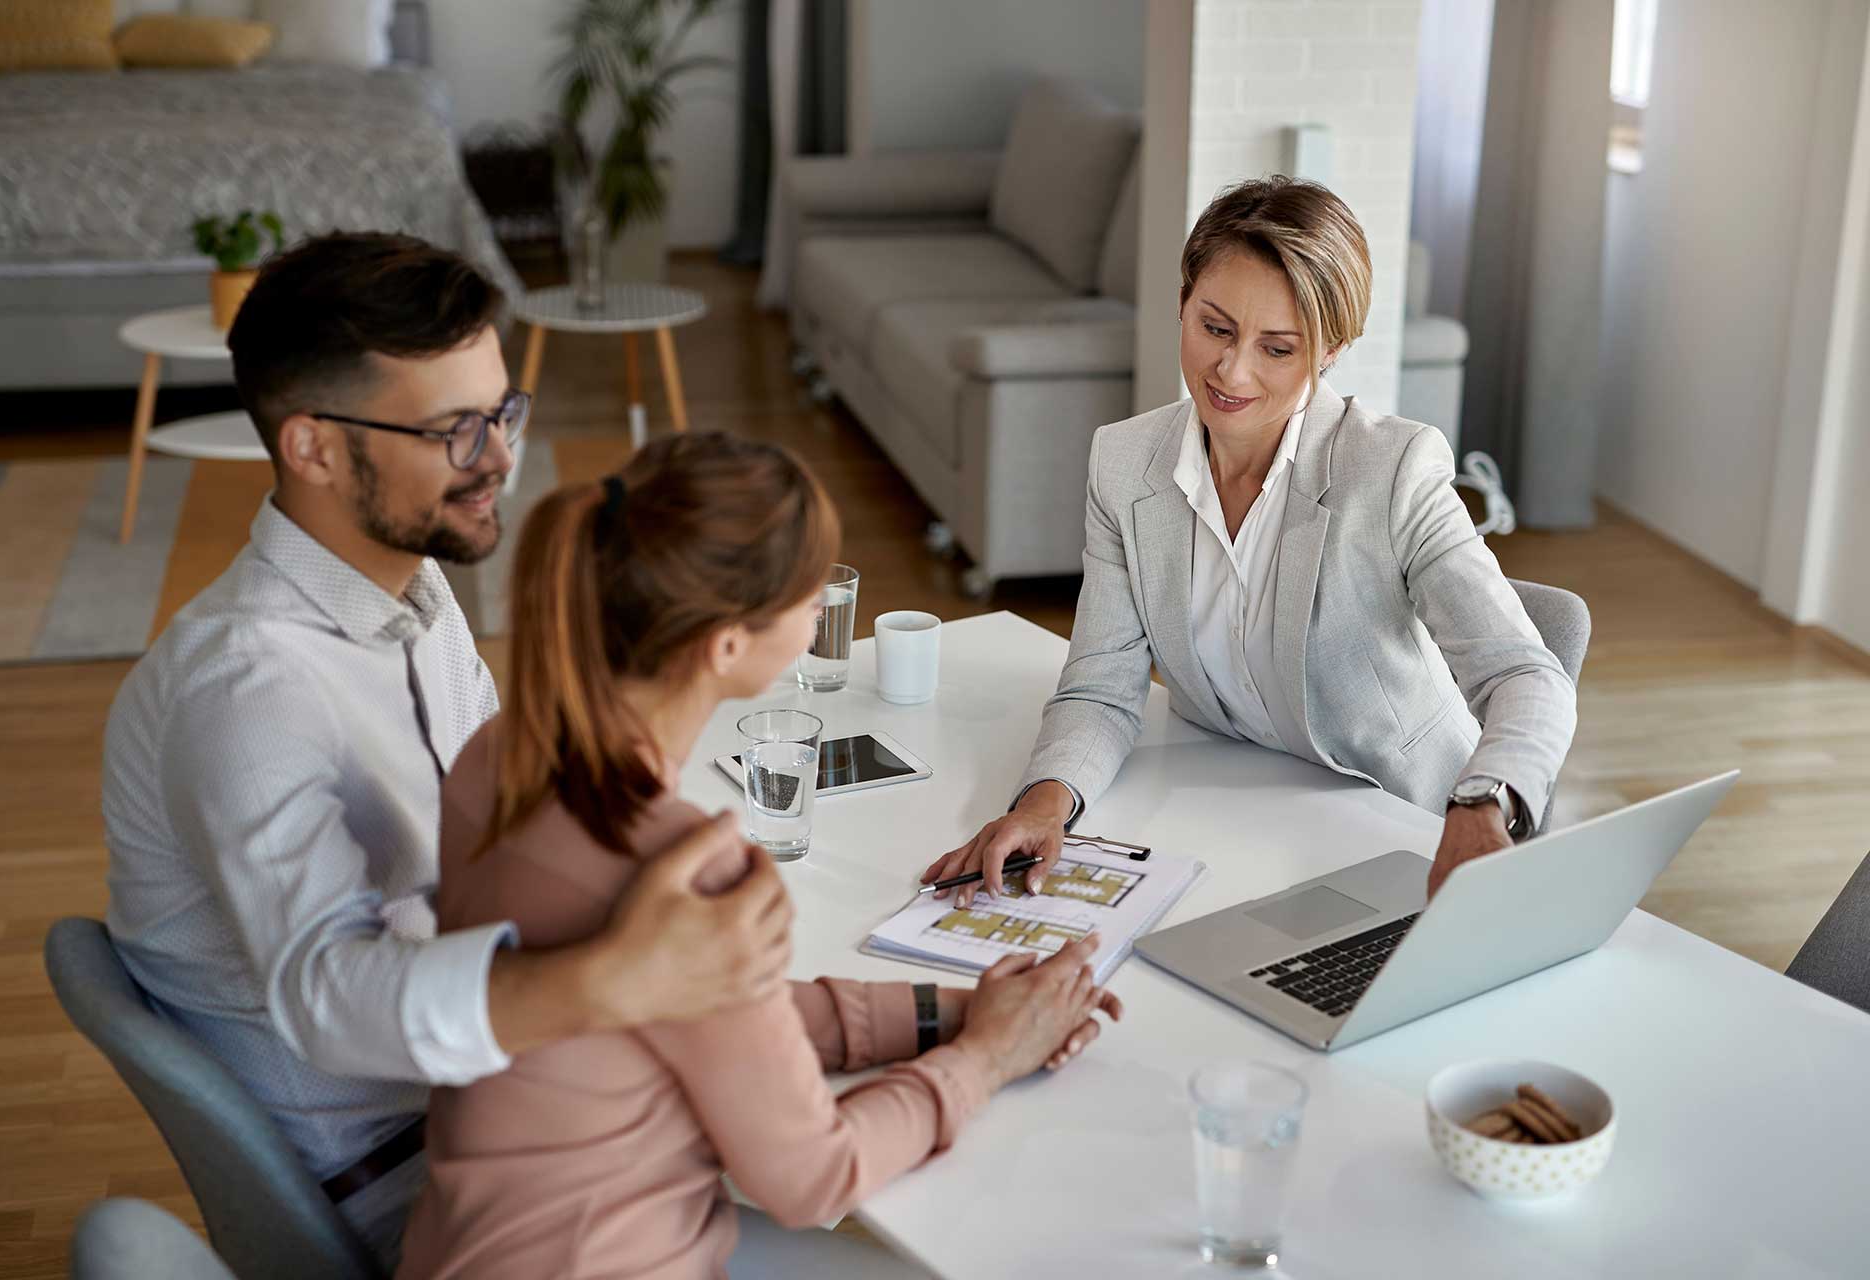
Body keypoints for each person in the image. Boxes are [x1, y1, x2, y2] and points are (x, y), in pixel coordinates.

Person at [101, 233, 794, 1266]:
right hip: (415, 1181)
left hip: (505, 1087)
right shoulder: (248, 688)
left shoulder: (417, 593)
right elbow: (329, 994)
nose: (501, 458)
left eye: (502, 412)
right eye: (456, 430)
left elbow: (499, 832)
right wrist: (616, 977)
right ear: (315, 447)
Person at [398, 434, 1124, 1279]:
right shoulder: (681, 865)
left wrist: (954, 1013)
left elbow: (724, 1015)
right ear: (727, 645)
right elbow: (815, 1177)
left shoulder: (500, 753)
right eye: (807, 587)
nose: (824, 600)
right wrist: (988, 1060)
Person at [923, 176, 1577, 905]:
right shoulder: (1124, 463)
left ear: (1330, 351)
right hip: (1233, 818)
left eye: (1277, 348)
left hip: (1405, 832)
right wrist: (1042, 805)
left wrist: (1483, 805)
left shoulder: (1392, 470)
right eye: (1215, 328)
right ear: (1181, 306)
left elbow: (1526, 676)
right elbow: (1102, 688)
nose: (1232, 372)